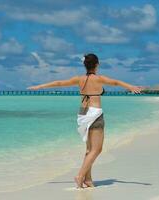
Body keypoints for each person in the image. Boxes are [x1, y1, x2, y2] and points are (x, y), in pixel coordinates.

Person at [27, 53, 143, 189]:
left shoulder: (79, 79)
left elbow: (59, 83)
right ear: (97, 65)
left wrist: (39, 87)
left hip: (82, 113)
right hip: (94, 113)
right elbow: (116, 82)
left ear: (85, 65)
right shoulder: (99, 79)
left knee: (89, 149)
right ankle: (80, 175)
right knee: (97, 149)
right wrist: (130, 87)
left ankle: (88, 179)